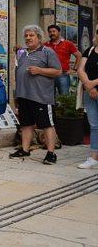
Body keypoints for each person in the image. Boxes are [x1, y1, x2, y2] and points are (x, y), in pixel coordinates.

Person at [10, 25, 61, 165]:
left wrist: (40, 70)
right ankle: (25, 149)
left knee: (46, 125)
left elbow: (58, 71)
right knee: (26, 125)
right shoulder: (22, 53)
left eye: (31, 35)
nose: (28, 38)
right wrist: (16, 95)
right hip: (24, 96)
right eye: (26, 36)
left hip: (41, 96)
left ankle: (51, 153)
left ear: (39, 37)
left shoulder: (47, 52)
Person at [77, 30, 98, 169]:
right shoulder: (89, 50)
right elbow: (80, 69)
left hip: (92, 87)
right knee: (94, 125)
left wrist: (93, 83)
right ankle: (94, 157)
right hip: (89, 92)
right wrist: (89, 87)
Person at [44, 24, 81, 95]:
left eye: (54, 31)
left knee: (64, 98)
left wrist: (74, 69)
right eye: (50, 32)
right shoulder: (45, 45)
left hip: (63, 74)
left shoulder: (67, 43)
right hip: (49, 75)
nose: (52, 33)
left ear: (59, 32)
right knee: (49, 97)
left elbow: (79, 55)